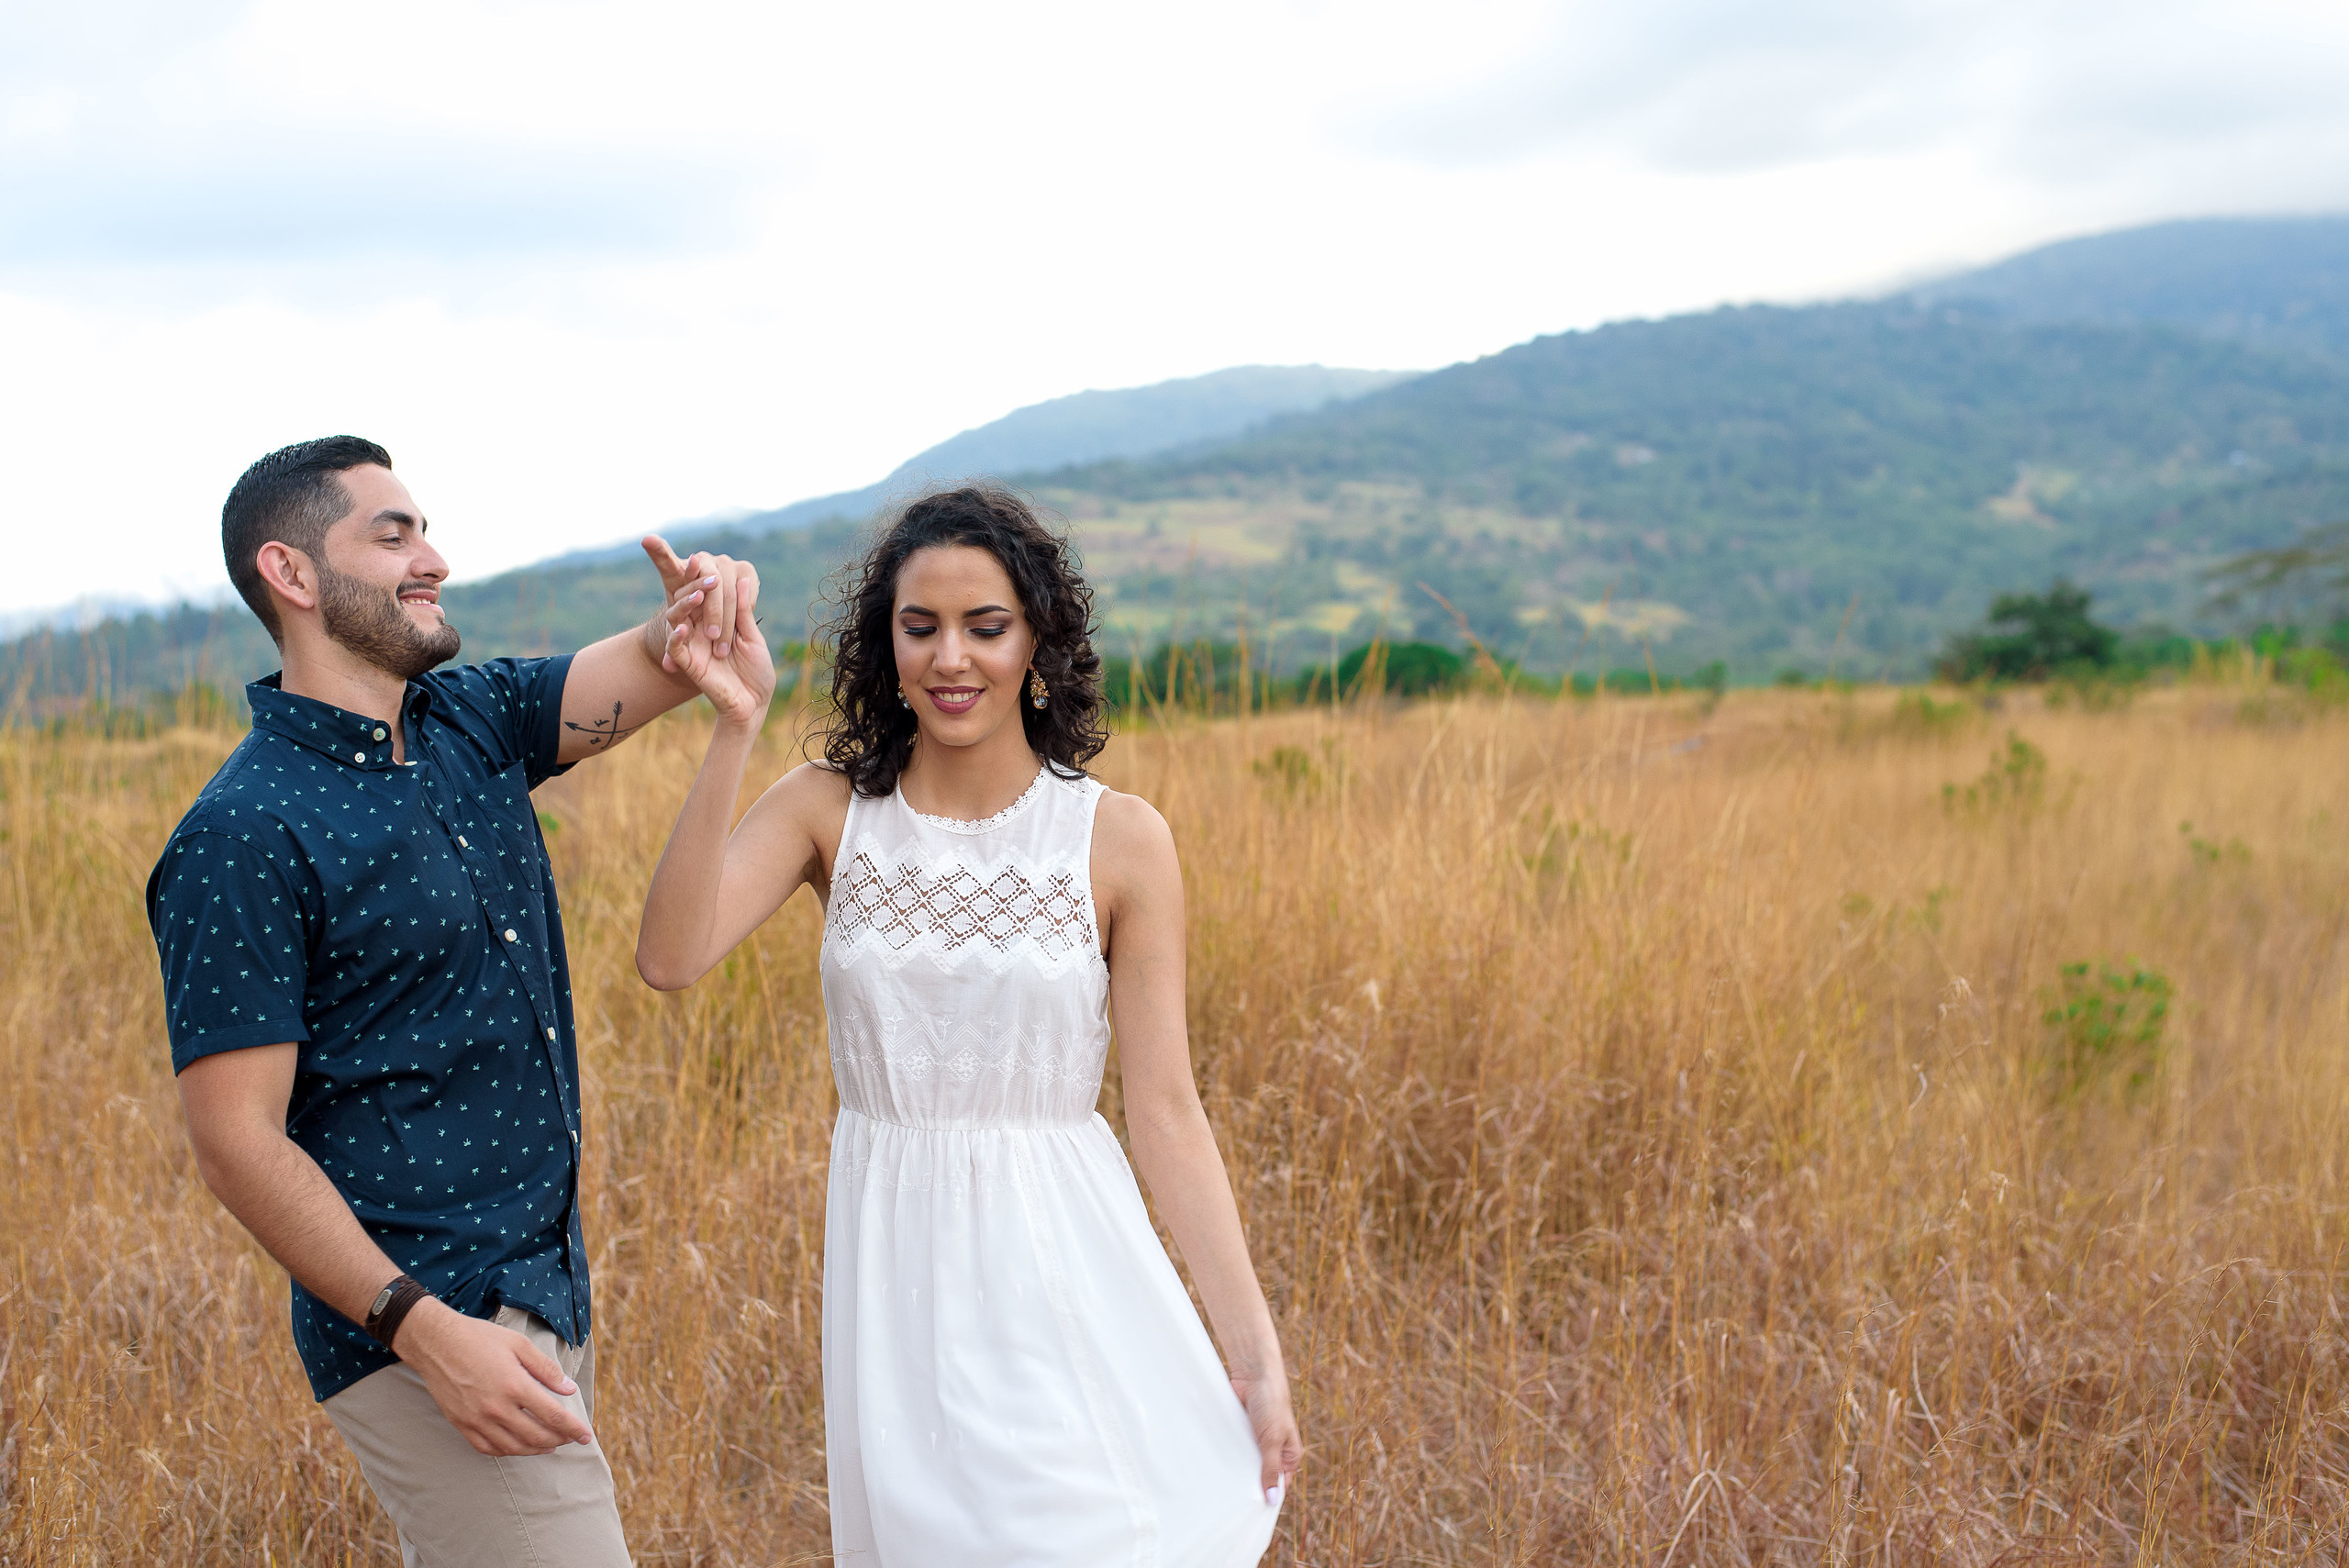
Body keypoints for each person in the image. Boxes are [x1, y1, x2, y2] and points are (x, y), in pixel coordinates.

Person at [636, 484, 1303, 1566]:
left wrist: (1256, 1351)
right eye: (921, 626)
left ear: (1037, 638)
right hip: (895, 1271)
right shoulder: (827, 808)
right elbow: (669, 957)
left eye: (986, 627)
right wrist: (733, 723)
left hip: (1065, 1259)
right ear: (885, 642)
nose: (951, 658)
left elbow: (1167, 1110)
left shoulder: (1120, 839)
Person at [147, 435, 762, 1567]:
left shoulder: (466, 721)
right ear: (290, 574)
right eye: (393, 534)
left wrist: (702, 612)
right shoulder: (241, 834)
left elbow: (661, 660)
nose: (432, 557)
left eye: (424, 528)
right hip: (425, 1326)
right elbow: (235, 1143)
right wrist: (428, 1335)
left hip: (538, 1287)